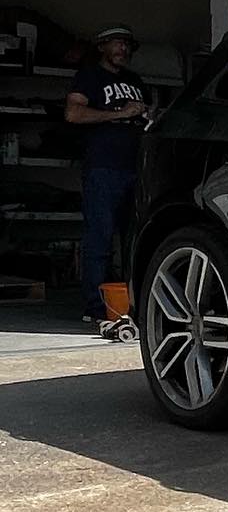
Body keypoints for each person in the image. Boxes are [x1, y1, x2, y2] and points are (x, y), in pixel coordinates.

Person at [65, 26, 149, 324]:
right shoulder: (89, 76)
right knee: (99, 239)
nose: (123, 49)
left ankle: (132, 305)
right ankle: (95, 307)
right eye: (117, 43)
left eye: (127, 44)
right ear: (102, 46)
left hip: (134, 170)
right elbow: (73, 114)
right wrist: (119, 114)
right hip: (103, 168)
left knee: (134, 241)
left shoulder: (136, 81)